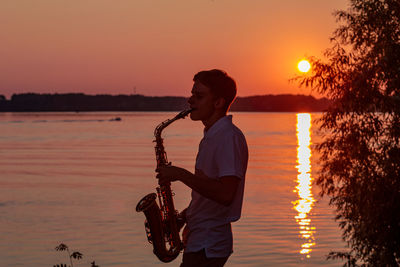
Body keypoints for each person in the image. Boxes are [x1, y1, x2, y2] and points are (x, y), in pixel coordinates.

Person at [156, 69, 248, 267]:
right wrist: (183, 216)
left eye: (199, 96)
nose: (190, 101)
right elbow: (209, 194)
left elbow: (225, 194)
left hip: (209, 245)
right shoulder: (213, 136)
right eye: (192, 94)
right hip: (201, 241)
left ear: (218, 103)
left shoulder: (227, 137)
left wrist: (180, 174)